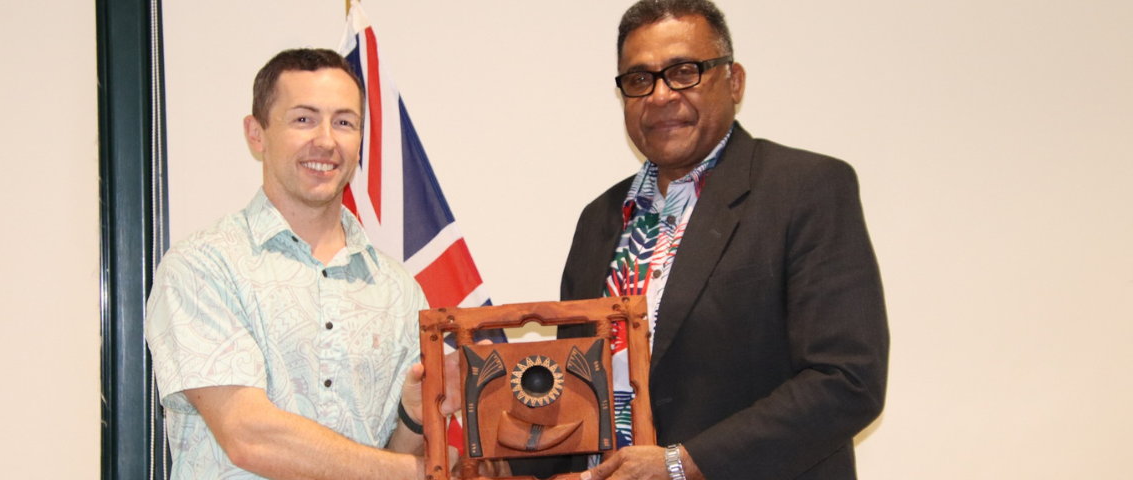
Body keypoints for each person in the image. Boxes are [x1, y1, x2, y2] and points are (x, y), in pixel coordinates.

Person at [527, 1, 890, 479]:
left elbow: (848, 380)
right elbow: (576, 396)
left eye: (684, 72)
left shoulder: (805, 188)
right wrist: (489, 434)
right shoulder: (599, 219)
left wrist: (683, 465)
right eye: (639, 79)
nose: (660, 95)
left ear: (734, 81)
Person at [145, 48, 437, 480]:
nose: (327, 140)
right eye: (304, 119)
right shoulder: (202, 267)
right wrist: (413, 474)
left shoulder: (399, 290)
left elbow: (389, 456)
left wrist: (412, 420)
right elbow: (248, 437)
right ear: (256, 134)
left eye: (344, 122)